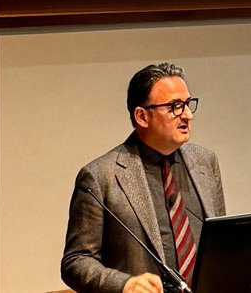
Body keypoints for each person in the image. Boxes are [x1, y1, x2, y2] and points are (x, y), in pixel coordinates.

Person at [61, 63, 226, 293]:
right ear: (142, 116)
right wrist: (124, 285)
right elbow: (76, 261)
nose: (187, 115)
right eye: (175, 107)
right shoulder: (100, 177)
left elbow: (220, 244)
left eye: (188, 104)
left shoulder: (206, 163)